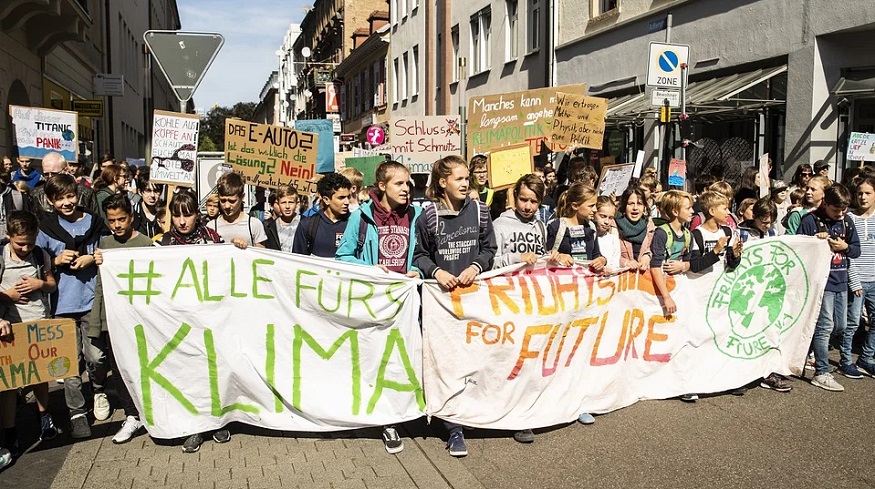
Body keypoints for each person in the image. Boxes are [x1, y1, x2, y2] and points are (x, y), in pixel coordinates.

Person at [412, 155, 497, 457]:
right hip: (441, 306)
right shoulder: (428, 217)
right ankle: (453, 428)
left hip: (475, 302)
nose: (466, 183)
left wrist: (476, 266)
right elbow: (419, 256)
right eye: (459, 179)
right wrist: (436, 272)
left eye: (467, 178)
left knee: (477, 361)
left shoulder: (480, 212)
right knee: (447, 366)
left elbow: (490, 248)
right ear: (442, 182)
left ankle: (478, 415)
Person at [336, 161, 421, 454]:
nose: (406, 189)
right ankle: (387, 421)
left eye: (408, 184)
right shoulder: (360, 217)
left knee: (407, 359)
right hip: (375, 302)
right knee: (380, 362)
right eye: (400, 184)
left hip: (410, 302)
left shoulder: (418, 214)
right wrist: (373, 270)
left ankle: (411, 410)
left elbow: (426, 254)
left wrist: (419, 272)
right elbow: (343, 256)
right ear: (382, 187)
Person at [491, 174, 570, 444]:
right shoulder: (499, 224)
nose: (527, 206)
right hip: (509, 301)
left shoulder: (541, 226)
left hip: (535, 302)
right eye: (523, 199)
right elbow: (491, 262)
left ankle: (524, 415)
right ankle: (506, 413)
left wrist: (554, 257)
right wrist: (516, 258)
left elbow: (543, 257)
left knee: (531, 359)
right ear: (515, 197)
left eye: (534, 201)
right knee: (510, 361)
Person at [36, 174, 109, 439]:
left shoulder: (95, 222)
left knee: (96, 356)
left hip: (91, 299)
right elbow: (33, 264)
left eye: (70, 196)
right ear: (51, 201)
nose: (66, 202)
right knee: (69, 362)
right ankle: (77, 412)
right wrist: (55, 262)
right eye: (60, 198)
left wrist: (91, 257)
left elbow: (108, 252)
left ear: (77, 195)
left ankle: (99, 390)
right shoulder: (45, 228)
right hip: (62, 304)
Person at [158, 190, 230, 451]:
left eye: (187, 214)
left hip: (210, 319)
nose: (182, 221)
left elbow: (230, 266)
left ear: (196, 214)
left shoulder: (213, 239)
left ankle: (217, 421)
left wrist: (239, 248)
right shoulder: (162, 245)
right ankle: (194, 426)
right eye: (176, 215)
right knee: (186, 373)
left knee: (212, 370)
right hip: (178, 321)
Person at [88, 193, 153, 443]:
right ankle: (132, 415)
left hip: (140, 320)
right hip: (113, 321)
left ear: (132, 217)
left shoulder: (146, 244)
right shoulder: (105, 245)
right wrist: (97, 322)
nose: (117, 225)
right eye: (112, 220)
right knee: (119, 369)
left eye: (122, 219)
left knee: (143, 366)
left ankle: (149, 411)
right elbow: (101, 287)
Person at [0, 211, 59, 460]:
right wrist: (7, 297)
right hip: (8, 328)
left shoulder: (39, 255)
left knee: (39, 375)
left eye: (30, 243)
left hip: (36, 322)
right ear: (8, 237)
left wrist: (40, 285)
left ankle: (44, 416)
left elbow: (51, 283)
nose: (25, 248)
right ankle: (10, 430)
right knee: (9, 384)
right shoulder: (0, 257)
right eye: (19, 244)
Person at [798, 184, 860, 392]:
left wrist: (846, 248)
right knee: (825, 327)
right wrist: (814, 242)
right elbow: (798, 248)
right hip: (821, 284)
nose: (840, 214)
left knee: (840, 326)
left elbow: (856, 250)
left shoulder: (847, 222)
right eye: (836, 210)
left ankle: (809, 352)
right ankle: (821, 371)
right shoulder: (810, 221)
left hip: (841, 282)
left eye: (844, 210)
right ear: (825, 204)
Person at [687, 191, 744, 399]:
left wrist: (735, 255)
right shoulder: (698, 235)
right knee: (700, 337)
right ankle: (692, 382)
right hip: (701, 293)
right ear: (711, 211)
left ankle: (725, 379)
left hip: (722, 293)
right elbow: (695, 265)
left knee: (722, 335)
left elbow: (732, 264)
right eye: (724, 208)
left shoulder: (729, 230)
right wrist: (715, 251)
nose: (728, 212)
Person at [847, 176, 875, 379]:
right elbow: (848, 254)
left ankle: (866, 357)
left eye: (868, 193)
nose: (863, 197)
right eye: (860, 193)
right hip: (856, 280)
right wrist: (854, 280)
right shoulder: (849, 218)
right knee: (852, 322)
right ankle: (845, 360)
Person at [546, 182, 606, 269]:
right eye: (591, 206)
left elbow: (595, 254)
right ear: (575, 206)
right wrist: (560, 256)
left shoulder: (591, 227)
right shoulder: (556, 227)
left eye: (595, 205)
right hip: (562, 278)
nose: (595, 210)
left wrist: (602, 260)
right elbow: (544, 255)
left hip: (585, 279)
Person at [293, 173, 352, 257]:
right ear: (326, 200)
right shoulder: (307, 225)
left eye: (348, 197)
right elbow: (297, 260)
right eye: (341, 198)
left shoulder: (356, 223)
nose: (347, 202)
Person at [30, 152, 99, 220]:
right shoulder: (36, 194)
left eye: (54, 174)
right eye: (46, 174)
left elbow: (96, 220)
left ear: (65, 170)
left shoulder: (86, 193)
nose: (50, 177)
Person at [209, 172, 267, 248]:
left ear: (242, 197)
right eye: (223, 201)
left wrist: (246, 247)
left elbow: (262, 254)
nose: (227, 206)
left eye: (232, 201)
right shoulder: (211, 226)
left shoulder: (254, 224)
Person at [616, 187, 655, 272]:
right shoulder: (614, 225)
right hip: (619, 279)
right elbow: (608, 254)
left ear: (644, 207)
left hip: (641, 279)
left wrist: (647, 256)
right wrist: (625, 262)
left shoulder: (649, 226)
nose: (635, 208)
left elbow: (651, 248)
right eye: (631, 204)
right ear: (624, 206)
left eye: (639, 204)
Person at [263, 185, 300, 252]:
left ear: (297, 204)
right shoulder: (269, 226)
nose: (287, 206)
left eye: (291, 202)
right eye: (283, 203)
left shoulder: (306, 224)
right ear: (278, 204)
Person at [131, 173, 163, 239]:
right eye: (148, 191)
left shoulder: (165, 213)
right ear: (140, 192)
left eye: (156, 191)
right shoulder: (133, 212)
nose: (152, 195)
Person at [593, 196, 621, 270]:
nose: (606, 222)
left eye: (610, 218)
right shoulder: (588, 237)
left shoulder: (613, 240)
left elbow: (616, 264)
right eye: (603, 216)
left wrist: (609, 269)